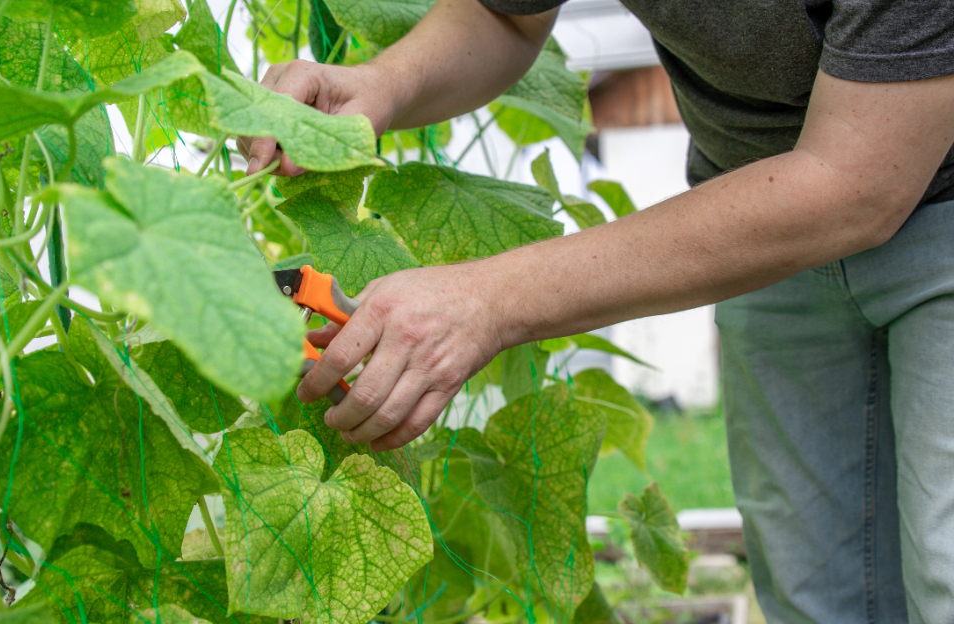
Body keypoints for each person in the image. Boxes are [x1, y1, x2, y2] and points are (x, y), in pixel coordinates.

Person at [239, 0, 954, 620]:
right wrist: (379, 86)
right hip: (758, 224)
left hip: (916, 197)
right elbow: (505, 16)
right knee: (814, 594)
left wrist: (486, 299)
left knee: (946, 572)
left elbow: (854, 183)